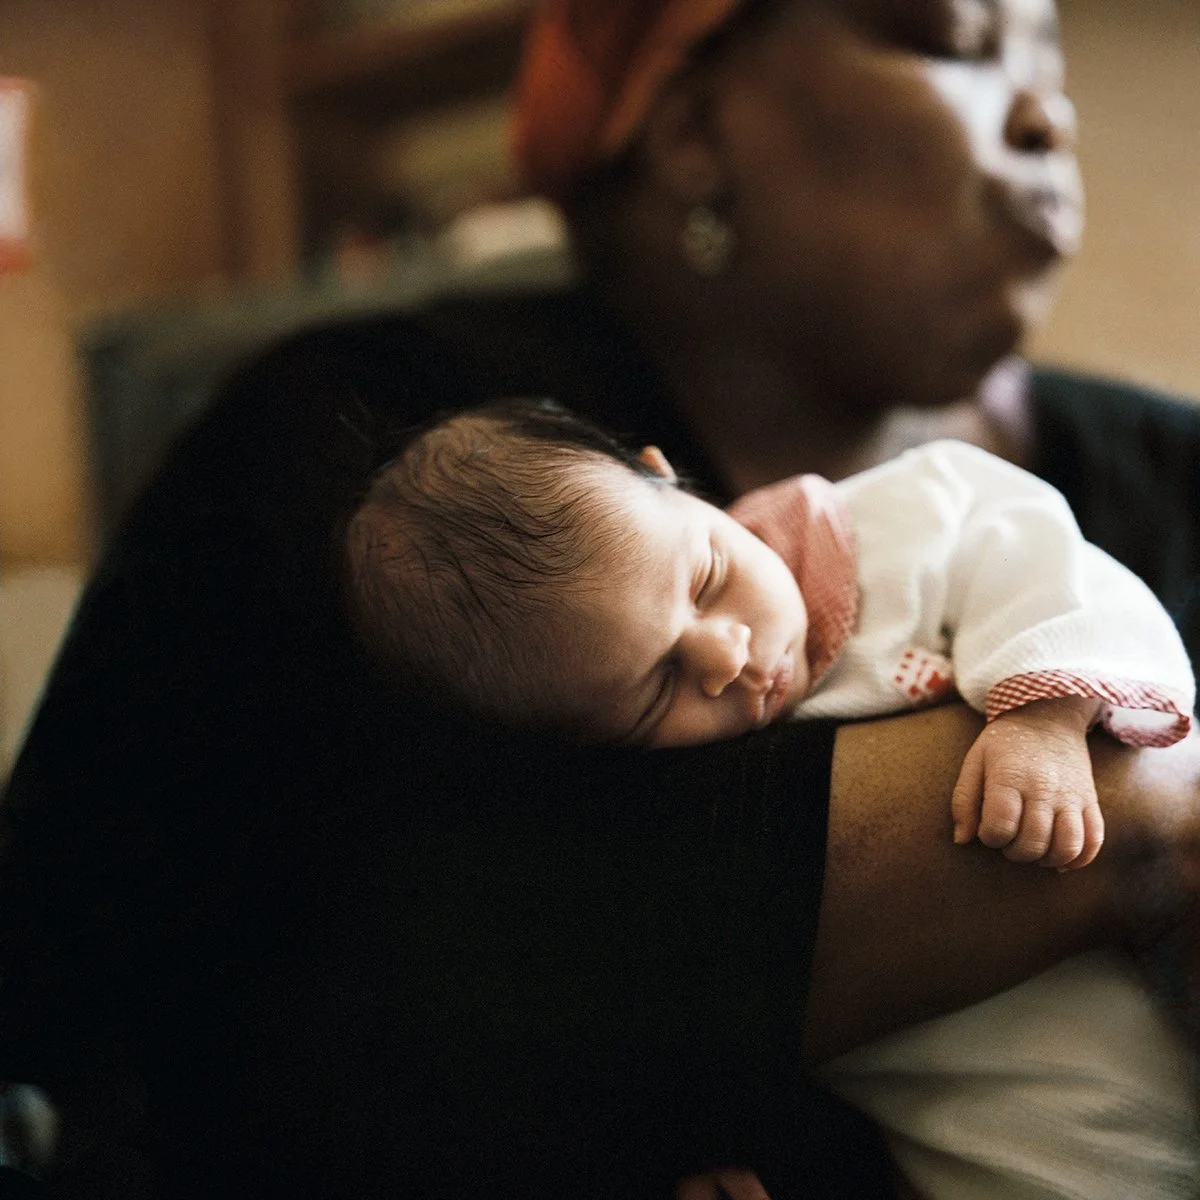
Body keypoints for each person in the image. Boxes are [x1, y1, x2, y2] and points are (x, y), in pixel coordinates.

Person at [2, 0, 1200, 1196]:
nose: (1049, 113)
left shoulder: (1164, 468)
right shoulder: (376, 457)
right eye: (954, 45)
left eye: (1047, 54)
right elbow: (199, 985)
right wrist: (1137, 810)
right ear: (690, 126)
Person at [346, 399, 1193, 876]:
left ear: (664, 475)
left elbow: (1047, 558)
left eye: (708, 578)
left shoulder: (903, 520)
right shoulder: (676, 804)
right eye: (654, 689)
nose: (725, 657)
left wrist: (1043, 720)